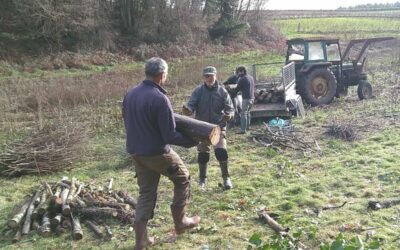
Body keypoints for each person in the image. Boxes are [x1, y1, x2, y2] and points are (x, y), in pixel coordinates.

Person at [123, 57, 201, 250]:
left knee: (146, 193)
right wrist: (192, 141)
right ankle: (181, 221)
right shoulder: (160, 98)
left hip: (137, 153)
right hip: (157, 153)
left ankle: (141, 241)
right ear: (162, 75)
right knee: (183, 177)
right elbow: (169, 134)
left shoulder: (131, 94)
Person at [182, 66, 235, 189]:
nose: (208, 78)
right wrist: (187, 111)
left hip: (218, 127)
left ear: (215, 76)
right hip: (201, 127)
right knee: (203, 154)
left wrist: (229, 116)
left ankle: (226, 178)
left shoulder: (222, 91)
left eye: (211, 75)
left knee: (221, 152)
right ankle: (202, 180)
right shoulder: (198, 91)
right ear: (203, 77)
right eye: (206, 76)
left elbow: (230, 109)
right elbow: (191, 107)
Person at [230, 65, 255, 134]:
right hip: (252, 97)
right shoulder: (251, 77)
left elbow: (237, 89)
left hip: (246, 98)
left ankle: (243, 130)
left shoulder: (243, 79)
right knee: (248, 112)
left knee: (243, 113)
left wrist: (231, 96)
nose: (237, 74)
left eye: (238, 72)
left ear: (242, 71)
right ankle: (247, 127)